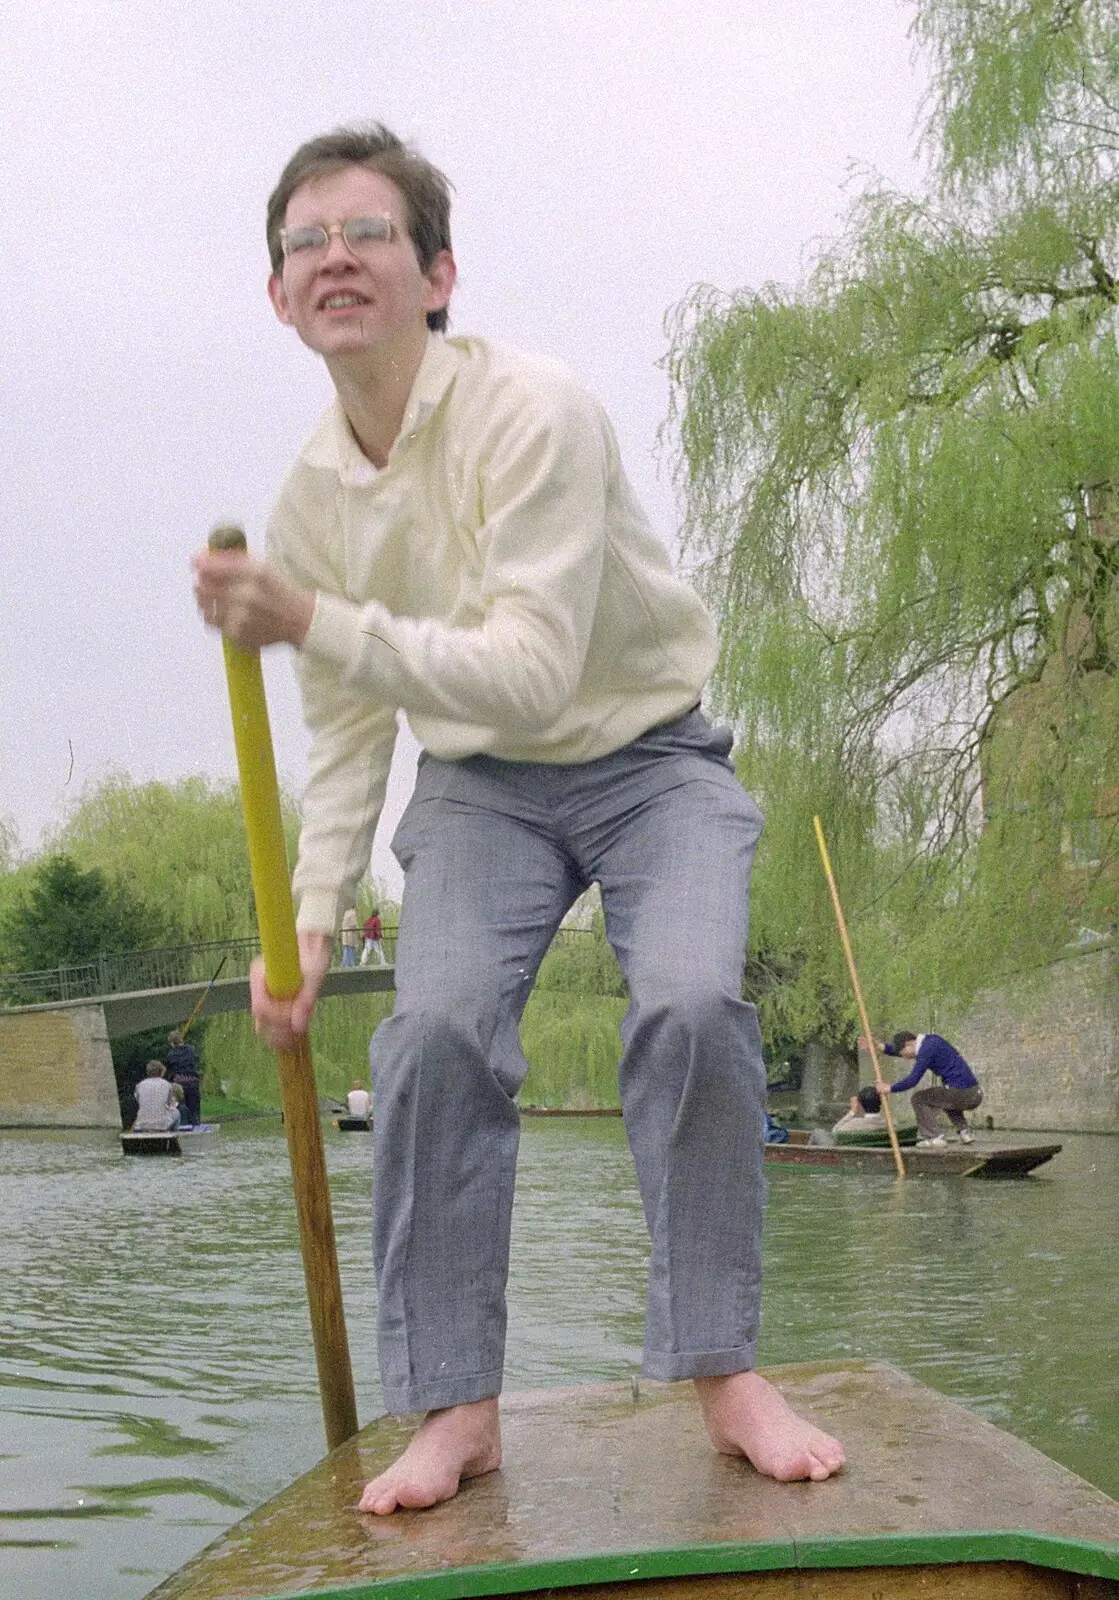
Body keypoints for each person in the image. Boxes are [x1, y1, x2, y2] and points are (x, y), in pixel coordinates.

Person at [193, 121, 844, 1513]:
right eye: (304, 243)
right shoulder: (308, 495)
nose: (332, 259)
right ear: (278, 297)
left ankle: (720, 1370)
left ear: (435, 274)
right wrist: (304, 927)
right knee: (427, 1037)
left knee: (683, 1004)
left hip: (650, 753)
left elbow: (535, 665)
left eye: (364, 233)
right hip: (480, 784)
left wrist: (305, 617)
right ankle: (457, 1407)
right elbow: (353, 724)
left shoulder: (532, 411)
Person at [860, 1031, 982, 1148]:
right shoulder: (930, 1042)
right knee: (944, 1098)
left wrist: (889, 1088)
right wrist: (878, 1045)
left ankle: (934, 1138)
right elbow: (897, 1051)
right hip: (974, 1093)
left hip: (962, 1093)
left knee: (918, 1098)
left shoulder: (927, 1049)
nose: (905, 1058)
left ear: (909, 1044)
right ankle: (965, 1132)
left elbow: (913, 1080)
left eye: (903, 1053)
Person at [165, 1028, 202, 1126]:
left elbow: (170, 1073)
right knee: (194, 1111)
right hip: (193, 1083)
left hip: (179, 1085)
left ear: (172, 1043)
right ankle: (196, 1125)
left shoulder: (171, 1054)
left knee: (182, 1110)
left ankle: (183, 1128)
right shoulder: (191, 1049)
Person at [132, 1061, 181, 1132]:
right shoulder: (167, 1085)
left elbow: (139, 1101)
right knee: (176, 1112)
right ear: (161, 1072)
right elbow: (169, 1104)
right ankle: (174, 1136)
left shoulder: (139, 1085)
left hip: (143, 1124)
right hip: (162, 1125)